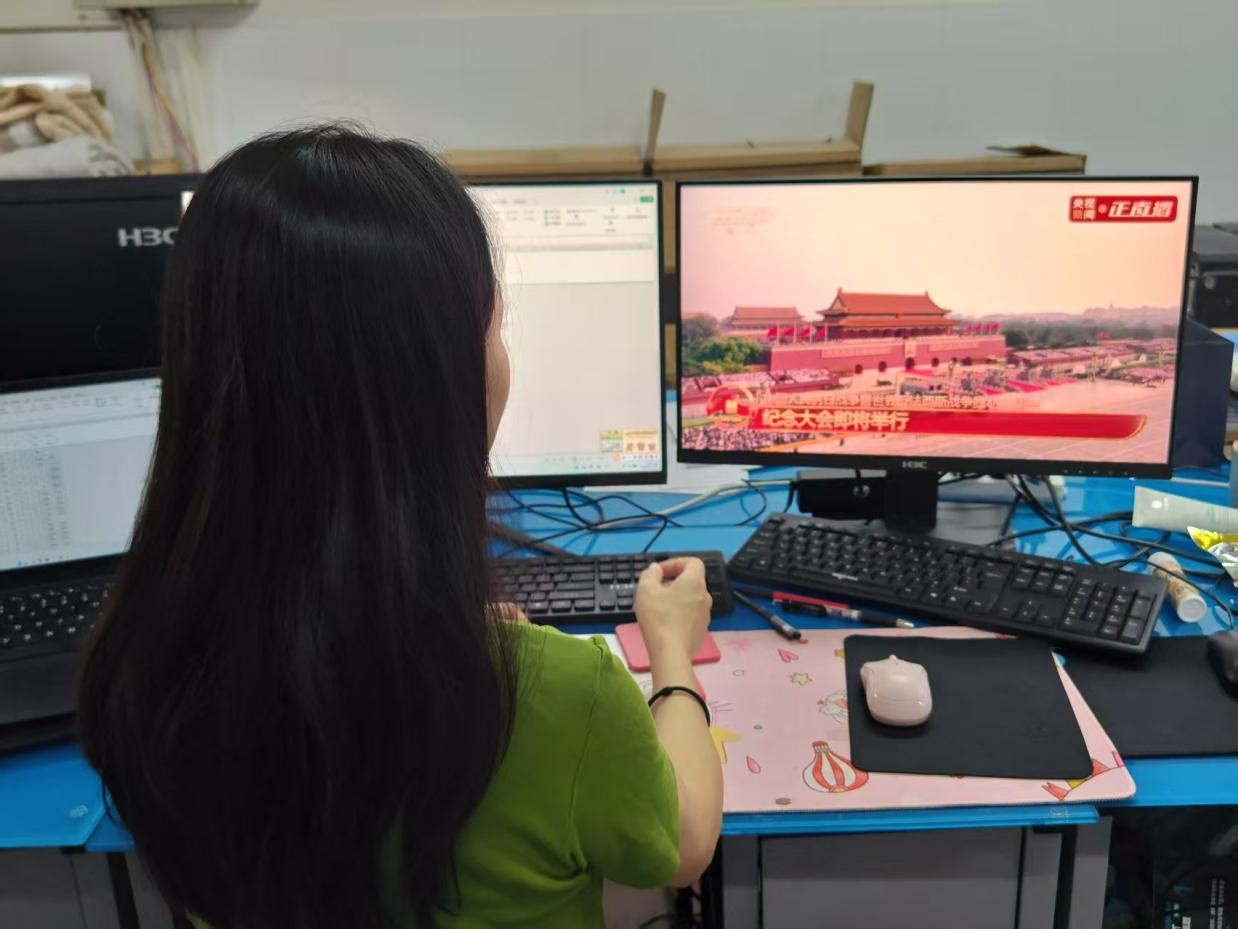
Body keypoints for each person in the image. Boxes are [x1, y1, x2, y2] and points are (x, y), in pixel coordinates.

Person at [77, 125, 722, 929]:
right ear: (437, 382)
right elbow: (686, 844)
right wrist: (671, 648)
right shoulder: (554, 696)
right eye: (493, 325)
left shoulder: (139, 672)